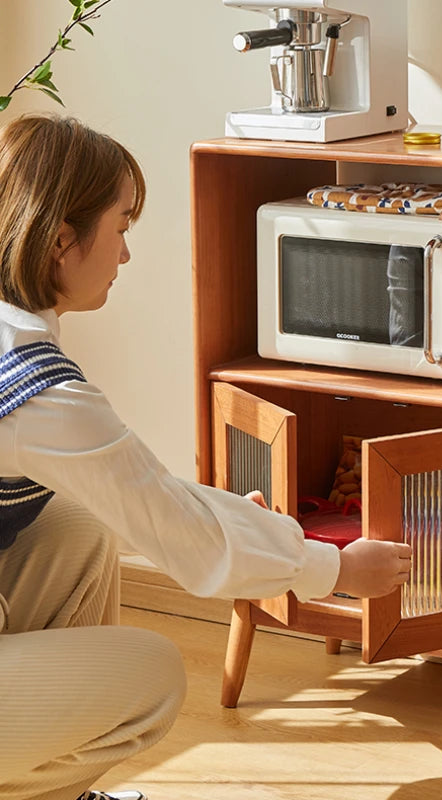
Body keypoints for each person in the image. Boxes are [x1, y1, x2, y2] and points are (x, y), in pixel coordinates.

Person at [0, 114, 412, 800]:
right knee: (152, 675)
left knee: (79, 520)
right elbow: (182, 538)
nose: (127, 255)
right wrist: (333, 567)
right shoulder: (35, 389)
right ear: (62, 239)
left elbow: (142, 495)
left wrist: (233, 524)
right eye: (123, 226)